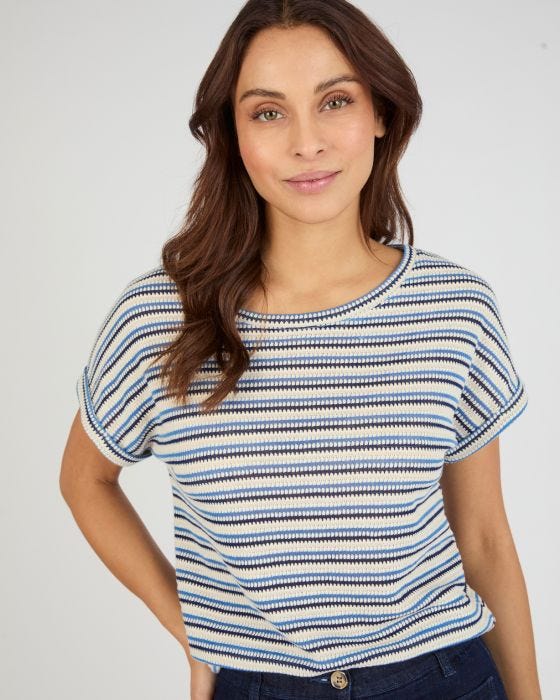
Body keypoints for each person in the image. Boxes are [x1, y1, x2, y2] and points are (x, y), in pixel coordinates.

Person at [60, 1, 542, 698]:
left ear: (381, 113)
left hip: (440, 677)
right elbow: (85, 480)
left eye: (335, 101)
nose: (306, 143)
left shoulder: (453, 307)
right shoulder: (160, 317)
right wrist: (193, 634)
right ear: (233, 134)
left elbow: (486, 539)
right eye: (268, 112)